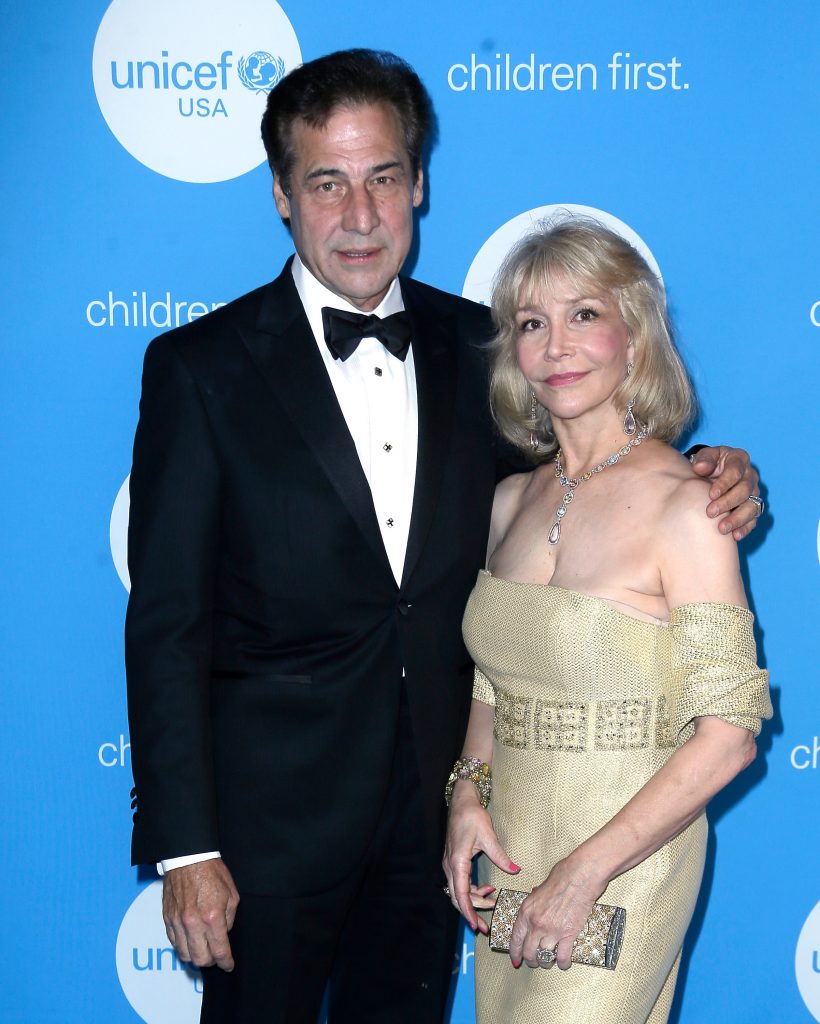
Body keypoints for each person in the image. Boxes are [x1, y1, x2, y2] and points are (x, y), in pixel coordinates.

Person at [125, 50, 762, 1024]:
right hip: (267, 839)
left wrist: (716, 464)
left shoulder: (486, 349)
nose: (360, 214)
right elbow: (166, 622)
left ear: (418, 183)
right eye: (326, 183)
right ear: (281, 197)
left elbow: (598, 449)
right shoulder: (199, 369)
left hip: (445, 834)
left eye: (383, 177)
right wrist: (185, 848)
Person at [442, 217, 772, 1024]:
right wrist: (465, 794)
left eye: (584, 315)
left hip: (626, 859)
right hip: (516, 848)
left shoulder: (686, 506)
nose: (556, 346)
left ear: (635, 336)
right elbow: (494, 678)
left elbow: (730, 732)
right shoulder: (509, 501)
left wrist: (584, 872)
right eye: (531, 324)